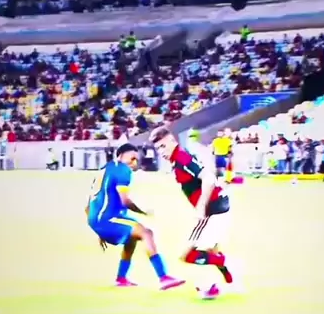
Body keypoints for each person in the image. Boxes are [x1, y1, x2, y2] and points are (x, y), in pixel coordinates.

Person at [85, 143, 185, 290]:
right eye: (132, 158)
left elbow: (89, 204)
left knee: (131, 238)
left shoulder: (105, 169)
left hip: (96, 219)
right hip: (108, 219)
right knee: (146, 233)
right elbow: (125, 201)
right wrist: (144, 212)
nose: (134, 162)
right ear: (120, 155)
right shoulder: (123, 170)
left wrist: (98, 228)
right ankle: (164, 278)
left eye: (136, 160)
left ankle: (121, 278)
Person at [150, 127, 234, 298]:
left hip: (213, 208)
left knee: (186, 255)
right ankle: (225, 280)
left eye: (163, 146)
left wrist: (201, 207)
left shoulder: (181, 158)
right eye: (158, 148)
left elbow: (209, 179)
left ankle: (212, 280)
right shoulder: (178, 159)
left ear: (172, 141)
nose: (161, 152)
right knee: (211, 250)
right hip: (218, 206)